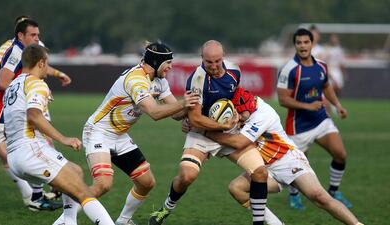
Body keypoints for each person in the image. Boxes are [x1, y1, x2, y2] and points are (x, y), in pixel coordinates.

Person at [67, 42, 199, 225]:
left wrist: (194, 111)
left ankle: (123, 220)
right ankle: (65, 220)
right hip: (98, 132)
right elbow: (154, 112)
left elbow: (176, 112)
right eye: (168, 62)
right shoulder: (136, 80)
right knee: (103, 184)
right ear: (156, 62)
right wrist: (183, 103)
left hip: (119, 136)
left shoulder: (160, 81)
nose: (171, 67)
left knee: (146, 182)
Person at [149, 40, 268, 225]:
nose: (213, 66)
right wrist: (222, 125)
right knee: (187, 176)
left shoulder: (234, 71)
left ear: (223, 57)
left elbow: (236, 97)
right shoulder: (197, 80)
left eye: (217, 61)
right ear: (201, 59)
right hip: (202, 132)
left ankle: (259, 223)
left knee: (260, 172)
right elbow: (196, 119)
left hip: (228, 129)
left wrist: (242, 114)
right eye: (208, 62)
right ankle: (166, 207)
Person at [206, 87, 364, 225]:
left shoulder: (264, 113)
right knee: (236, 188)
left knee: (319, 197)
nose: (239, 117)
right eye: (236, 113)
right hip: (265, 170)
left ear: (248, 106)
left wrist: (208, 132)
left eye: (241, 113)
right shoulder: (234, 118)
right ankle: (275, 223)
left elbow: (239, 142)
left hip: (288, 159)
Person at [3, 44, 115, 225]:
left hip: (14, 156)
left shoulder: (13, 86)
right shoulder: (37, 83)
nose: (48, 69)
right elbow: (34, 115)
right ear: (41, 63)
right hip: (30, 150)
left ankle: (68, 222)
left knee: (75, 171)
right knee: (84, 193)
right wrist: (64, 139)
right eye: (47, 64)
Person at [0, 17, 62, 210]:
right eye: (33, 35)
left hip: (9, 112)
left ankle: (37, 196)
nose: (37, 39)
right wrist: (30, 87)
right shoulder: (15, 51)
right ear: (20, 35)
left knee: (33, 146)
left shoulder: (24, 51)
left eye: (38, 35)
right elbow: (3, 83)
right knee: (22, 152)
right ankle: (41, 194)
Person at [276, 28, 352, 210]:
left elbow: (326, 86)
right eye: (299, 43)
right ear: (295, 45)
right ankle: (294, 196)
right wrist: (307, 106)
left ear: (312, 44)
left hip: (321, 120)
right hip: (298, 127)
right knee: (296, 167)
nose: (302, 46)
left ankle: (334, 191)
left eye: (306, 42)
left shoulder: (321, 66)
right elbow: (282, 99)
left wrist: (337, 105)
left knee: (340, 154)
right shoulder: (289, 69)